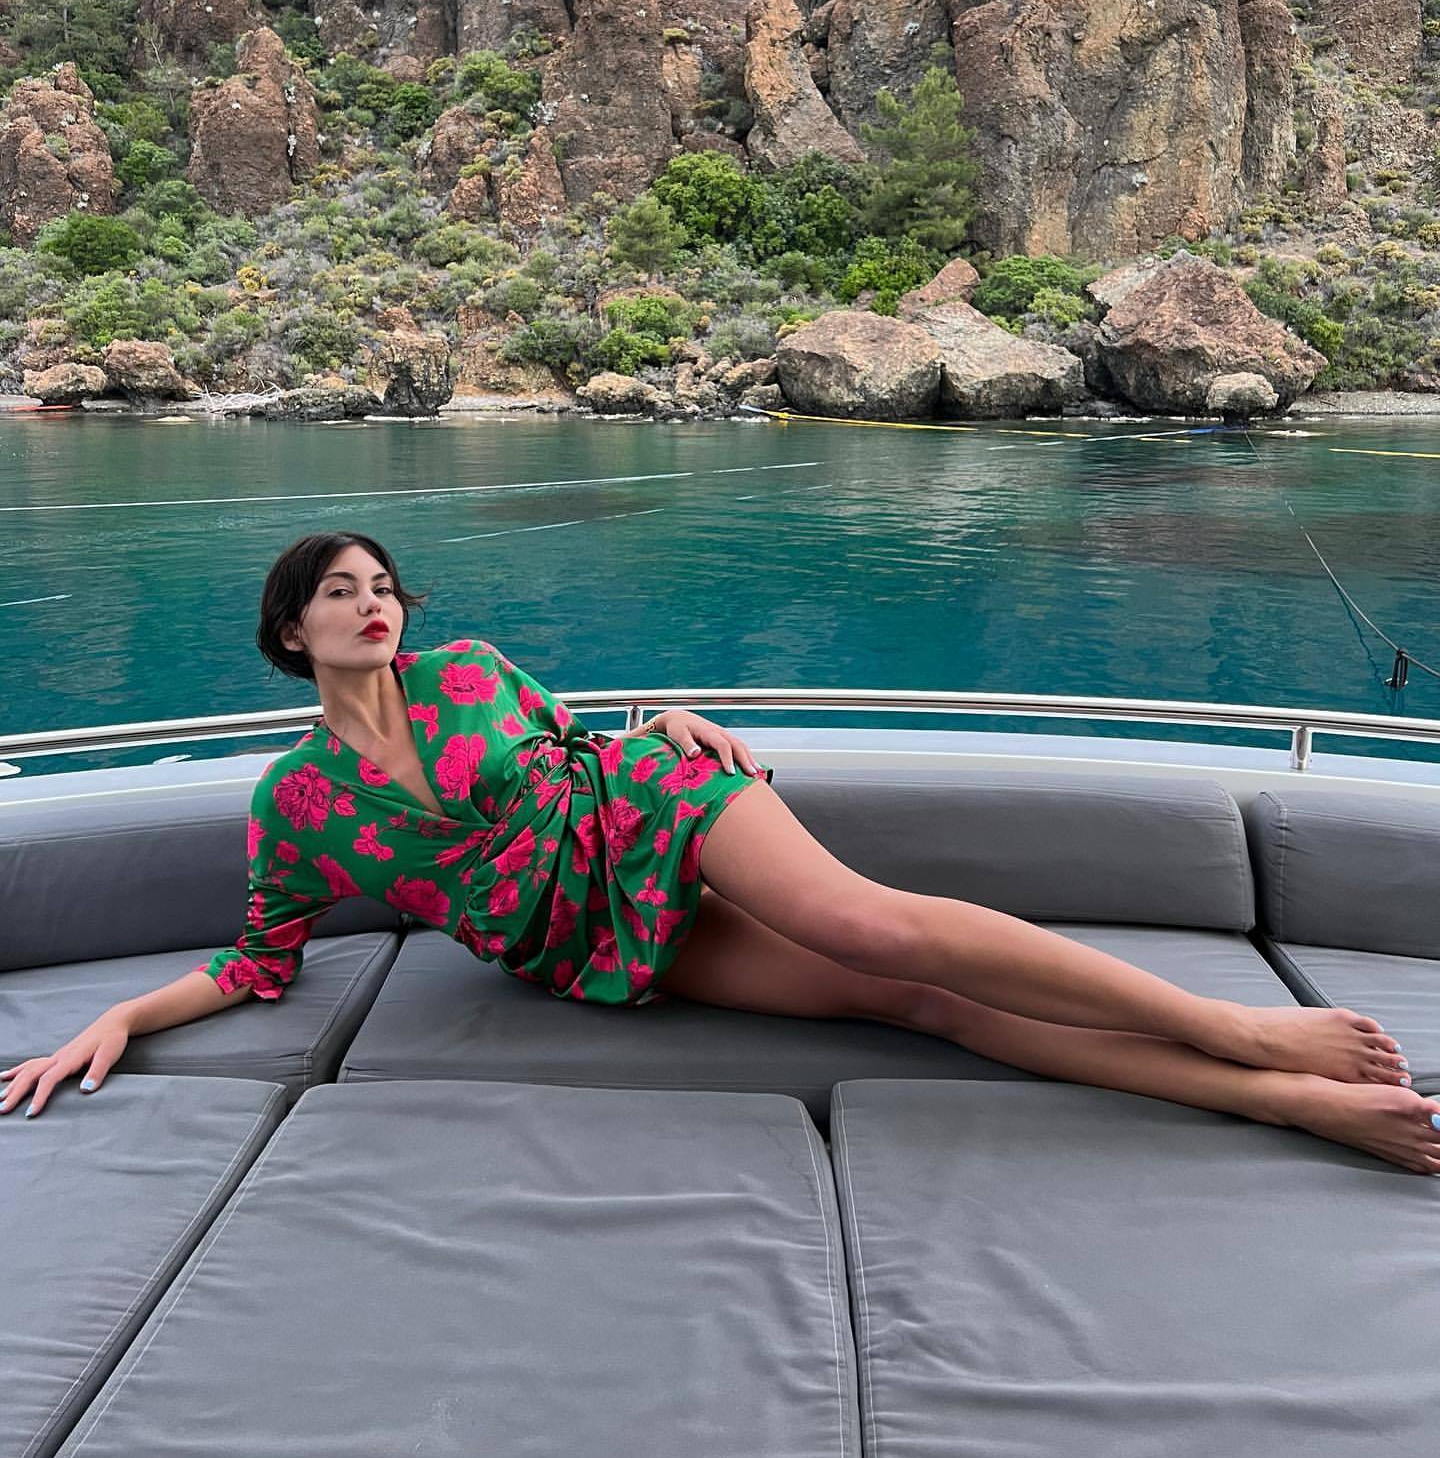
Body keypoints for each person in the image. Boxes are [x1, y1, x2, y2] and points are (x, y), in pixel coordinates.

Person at [5, 532, 1438, 1179]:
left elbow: (578, 741)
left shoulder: (473, 670)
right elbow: (256, 965)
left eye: (384, 585)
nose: (374, 604)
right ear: (290, 632)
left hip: (648, 806)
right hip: (580, 937)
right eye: (340, 591)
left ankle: (1244, 1030)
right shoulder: (297, 805)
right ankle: (1275, 1106)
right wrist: (119, 1019)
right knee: (915, 1004)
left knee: (872, 928)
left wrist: (667, 721)